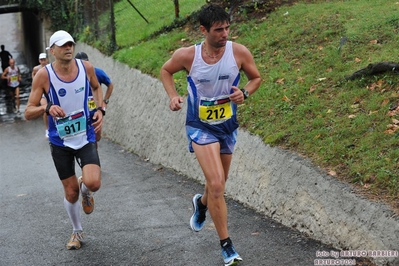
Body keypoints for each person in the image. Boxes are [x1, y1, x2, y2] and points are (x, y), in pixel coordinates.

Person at [160, 4, 261, 266]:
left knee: (219, 184)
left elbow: (256, 78)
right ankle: (226, 246)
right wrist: (173, 96)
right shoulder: (187, 56)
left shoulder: (238, 52)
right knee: (216, 183)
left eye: (227, 28)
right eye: (219, 30)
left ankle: (201, 203)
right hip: (200, 125)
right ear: (204, 30)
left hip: (227, 125)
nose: (225, 34)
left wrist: (245, 93)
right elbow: (165, 70)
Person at [24, 30, 105, 250]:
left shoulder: (86, 68)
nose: (68, 48)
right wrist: (47, 107)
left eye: (70, 44)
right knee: (70, 192)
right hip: (60, 141)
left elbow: (97, 88)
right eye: (62, 45)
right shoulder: (44, 75)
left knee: (94, 183)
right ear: (52, 51)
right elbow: (28, 111)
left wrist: (99, 109)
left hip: (85, 134)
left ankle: (86, 189)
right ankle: (77, 232)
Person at [75, 51, 114, 143]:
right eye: (81, 63)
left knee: (97, 136)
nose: (84, 65)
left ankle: (92, 150)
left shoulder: (97, 72)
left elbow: (110, 85)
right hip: (79, 107)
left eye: (86, 62)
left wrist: (105, 101)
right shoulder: (73, 76)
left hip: (95, 106)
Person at [32, 53, 49, 137]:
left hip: (50, 92)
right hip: (42, 93)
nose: (43, 61)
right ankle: (47, 129)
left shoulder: (51, 67)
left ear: (47, 60)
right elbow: (33, 76)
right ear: (39, 61)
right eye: (41, 60)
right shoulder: (36, 69)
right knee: (46, 109)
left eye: (44, 59)